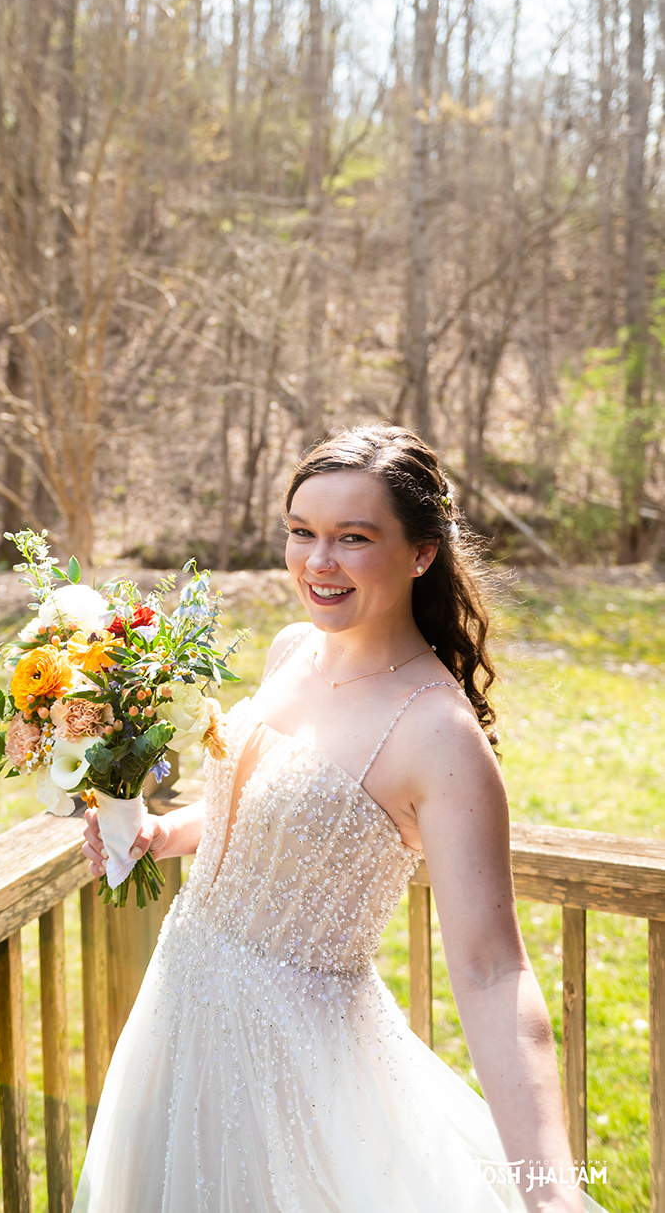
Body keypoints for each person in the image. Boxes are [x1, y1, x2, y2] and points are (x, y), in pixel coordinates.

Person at [75, 424, 599, 1213]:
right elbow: (261, 812)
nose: (318, 562)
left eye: (353, 538)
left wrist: (549, 1190)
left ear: (421, 553)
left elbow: (494, 972)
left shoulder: (440, 736)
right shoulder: (292, 649)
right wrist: (161, 833)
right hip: (178, 1010)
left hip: (296, 1070)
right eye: (302, 532)